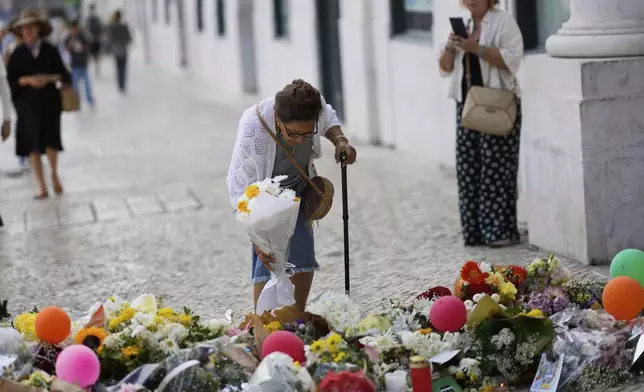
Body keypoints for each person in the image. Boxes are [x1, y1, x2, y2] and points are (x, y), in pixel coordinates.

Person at [226, 79, 357, 312]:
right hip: (263, 201)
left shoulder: (314, 112)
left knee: (302, 250)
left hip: (298, 194)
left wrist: (340, 141)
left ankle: (296, 316)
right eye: (294, 133)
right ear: (278, 118)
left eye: (308, 134)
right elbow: (240, 188)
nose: (301, 140)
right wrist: (257, 241)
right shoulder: (253, 126)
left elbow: (328, 116)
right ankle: (264, 320)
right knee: (269, 258)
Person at [438, 0, 523, 248]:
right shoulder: (461, 25)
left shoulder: (503, 21)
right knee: (468, 169)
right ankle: (474, 232)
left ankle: (499, 231)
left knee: (497, 169)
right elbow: (444, 68)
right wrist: (452, 48)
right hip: (467, 106)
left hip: (497, 103)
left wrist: (475, 48)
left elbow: (512, 60)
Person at [6, 10, 72, 199]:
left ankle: (54, 175)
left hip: (49, 103)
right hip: (27, 106)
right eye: (23, 29)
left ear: (38, 29)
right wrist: (27, 80)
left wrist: (48, 78)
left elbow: (64, 75)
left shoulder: (50, 50)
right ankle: (41, 185)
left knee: (51, 141)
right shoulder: (17, 53)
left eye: (30, 27)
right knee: (32, 145)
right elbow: (11, 81)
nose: (27, 31)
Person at [65, 20, 94, 108]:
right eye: (72, 29)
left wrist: (85, 52)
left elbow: (88, 45)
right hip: (74, 64)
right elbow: (67, 49)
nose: (74, 30)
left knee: (87, 84)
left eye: (75, 28)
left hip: (83, 63)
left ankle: (90, 100)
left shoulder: (82, 36)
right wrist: (71, 42)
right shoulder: (69, 37)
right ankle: (76, 102)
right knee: (75, 85)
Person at [107, 10, 131, 94]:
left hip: (116, 51)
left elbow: (109, 39)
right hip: (123, 50)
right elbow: (128, 39)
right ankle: (122, 84)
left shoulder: (111, 27)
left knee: (118, 68)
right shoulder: (124, 26)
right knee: (123, 69)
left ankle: (120, 85)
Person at [85, 4, 104, 76]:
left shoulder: (92, 19)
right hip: (94, 40)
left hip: (94, 40)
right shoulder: (94, 19)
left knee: (94, 56)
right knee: (95, 56)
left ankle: (96, 70)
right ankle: (96, 70)